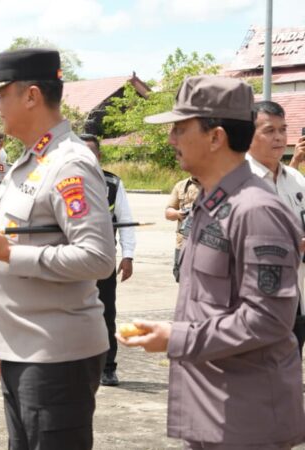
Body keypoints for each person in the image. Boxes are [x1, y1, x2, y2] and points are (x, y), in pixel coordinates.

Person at [120, 75, 305, 449]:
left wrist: (176, 337)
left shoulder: (255, 210)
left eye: (179, 128)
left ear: (216, 137)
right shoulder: (212, 201)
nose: (170, 139)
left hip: (245, 419)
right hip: (214, 410)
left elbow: (268, 319)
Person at [0, 48, 115, 450]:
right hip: (23, 349)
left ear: (31, 95)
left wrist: (8, 254)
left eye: (2, 95)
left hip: (54, 356)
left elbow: (98, 257)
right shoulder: (32, 161)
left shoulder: (69, 163)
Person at [245, 100, 305, 355]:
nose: (279, 137)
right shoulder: (235, 181)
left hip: (295, 297)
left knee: (290, 368)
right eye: (269, 130)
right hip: (253, 303)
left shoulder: (296, 179)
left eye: (283, 129)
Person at [80, 133, 136, 387]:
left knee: (105, 313)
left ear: (99, 156)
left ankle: (108, 367)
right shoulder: (60, 181)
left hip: (103, 260)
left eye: (90, 152)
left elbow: (126, 220)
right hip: (70, 261)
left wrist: (128, 255)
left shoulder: (112, 183)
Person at [165, 176, 201, 280]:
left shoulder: (214, 183)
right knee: (181, 278)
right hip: (182, 244)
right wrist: (178, 213)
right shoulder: (180, 186)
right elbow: (168, 212)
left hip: (205, 245)